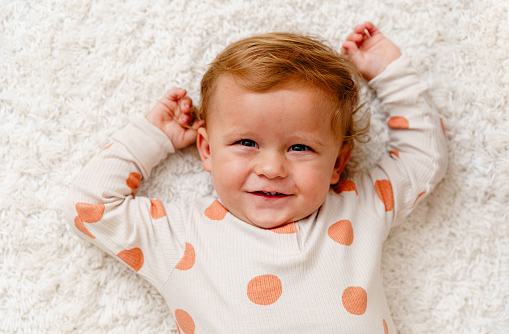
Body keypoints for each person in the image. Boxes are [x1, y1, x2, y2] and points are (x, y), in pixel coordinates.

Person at [66, 22, 448, 333]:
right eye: (246, 142)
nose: (271, 169)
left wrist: (390, 75)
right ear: (207, 151)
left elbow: (424, 157)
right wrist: (152, 138)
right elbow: (91, 206)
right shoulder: (181, 236)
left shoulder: (358, 208)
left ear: (337, 163)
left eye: (300, 148)